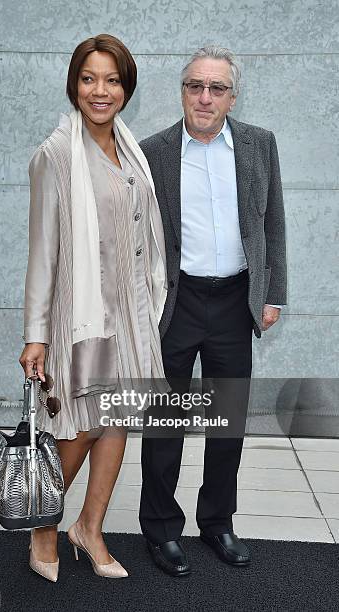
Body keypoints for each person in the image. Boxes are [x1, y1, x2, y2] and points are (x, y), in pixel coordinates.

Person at [19, 33, 167, 582]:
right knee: (78, 427)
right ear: (73, 85)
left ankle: (89, 527)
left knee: (119, 419)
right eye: (88, 78)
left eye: (111, 79)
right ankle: (43, 526)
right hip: (82, 313)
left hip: (131, 311)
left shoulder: (130, 148)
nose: (99, 90)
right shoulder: (55, 155)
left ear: (126, 88)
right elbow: (42, 252)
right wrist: (36, 334)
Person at [138, 45, 287, 576]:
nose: (204, 97)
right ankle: (159, 530)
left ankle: (217, 523)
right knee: (167, 423)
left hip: (233, 301)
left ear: (232, 95)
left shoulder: (258, 145)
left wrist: (272, 294)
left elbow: (273, 223)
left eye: (216, 88)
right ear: (181, 91)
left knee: (227, 423)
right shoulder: (152, 150)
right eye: (195, 86)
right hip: (175, 304)